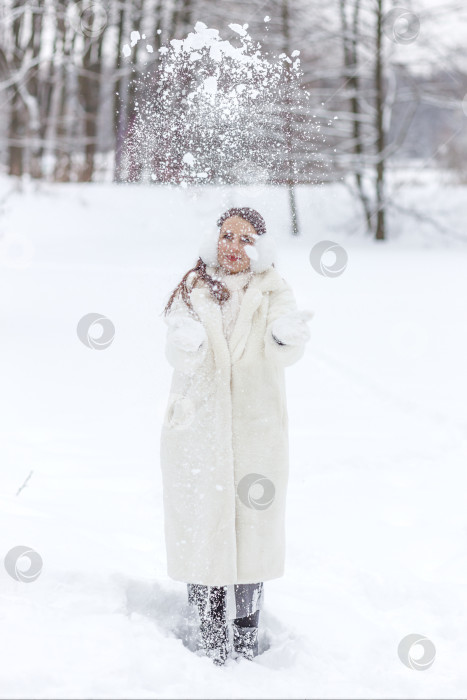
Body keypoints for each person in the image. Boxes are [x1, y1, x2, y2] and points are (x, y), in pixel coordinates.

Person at [159, 207, 313, 665]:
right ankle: (207, 638)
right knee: (203, 524)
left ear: (261, 247)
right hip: (198, 429)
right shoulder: (192, 288)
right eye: (228, 235)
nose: (234, 246)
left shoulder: (273, 289)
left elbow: (285, 346)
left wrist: (286, 338)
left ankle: (245, 641)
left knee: (252, 530)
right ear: (215, 239)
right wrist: (183, 343)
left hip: (255, 429)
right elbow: (177, 351)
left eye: (246, 239)